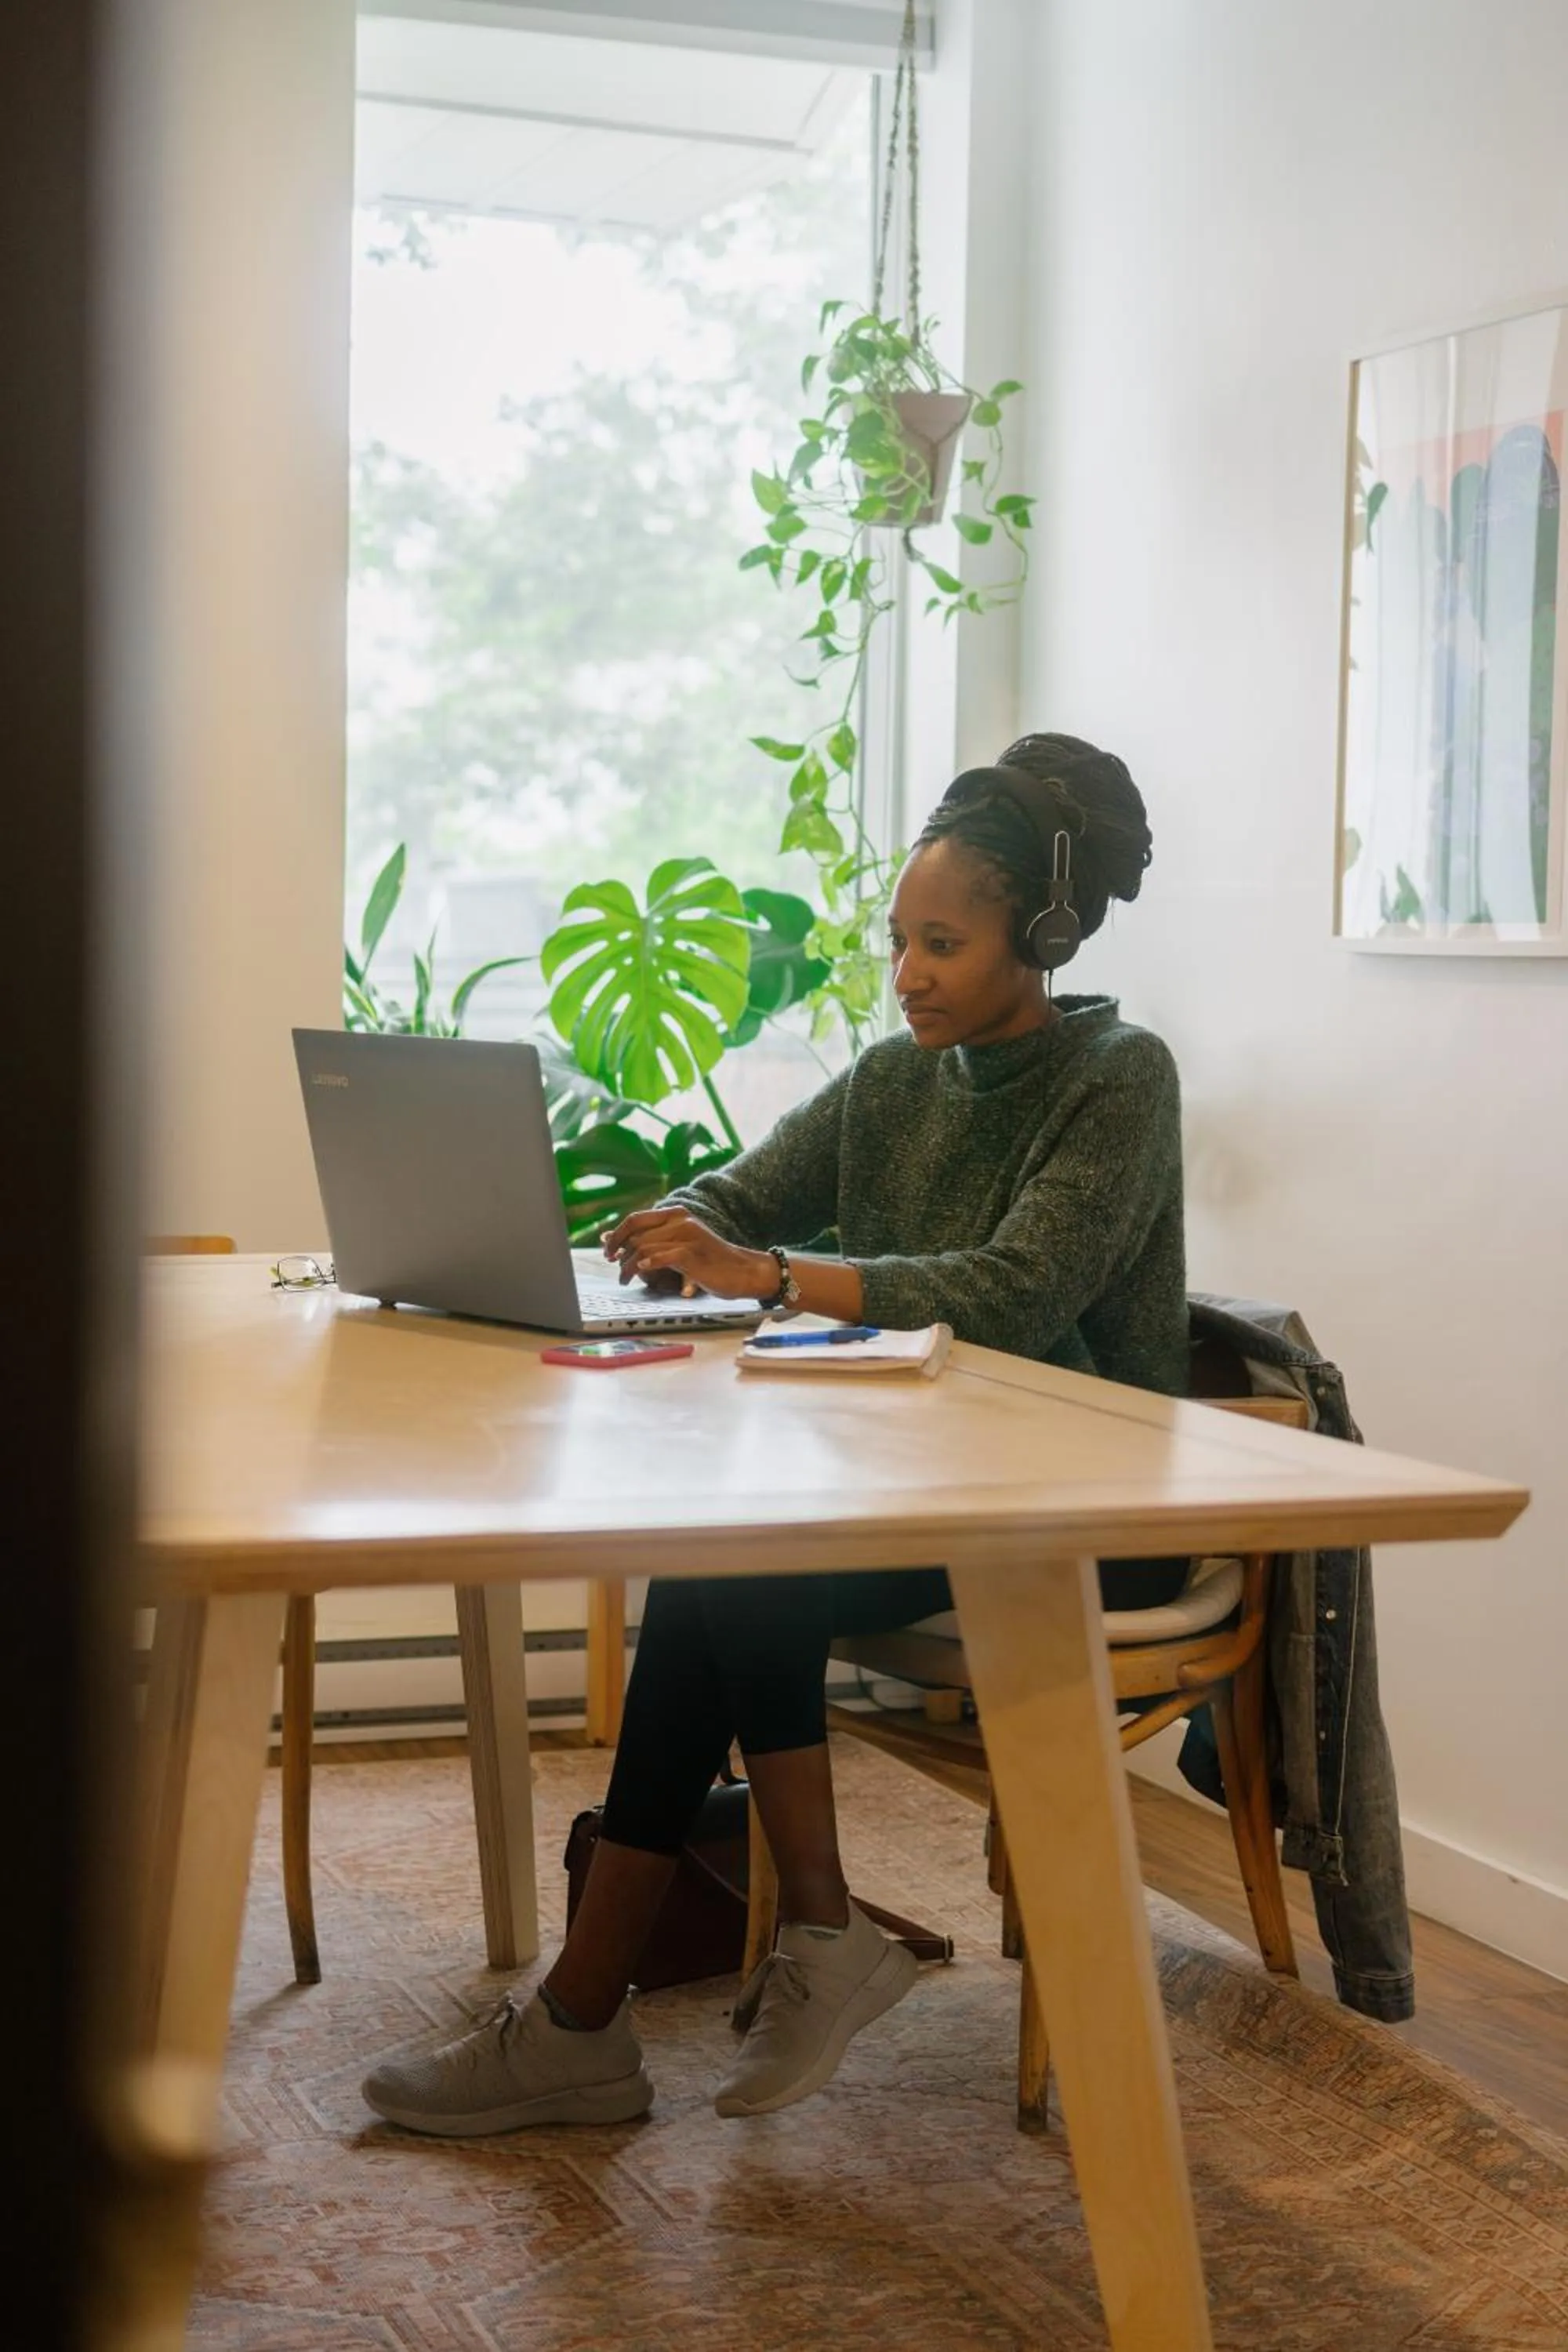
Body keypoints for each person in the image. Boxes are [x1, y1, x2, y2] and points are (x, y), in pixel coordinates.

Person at [362, 731, 1186, 2139]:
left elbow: (1018, 1290)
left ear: (1038, 936)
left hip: (1079, 1508)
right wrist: (669, 1233)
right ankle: (732, 1960)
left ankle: (624, 2006)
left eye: (942, 944)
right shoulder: (889, 1077)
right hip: (925, 1489)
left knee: (732, 1571)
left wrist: (777, 1276)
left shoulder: (1119, 1078)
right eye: (897, 940)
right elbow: (743, 1196)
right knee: (723, 1566)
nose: (908, 974)